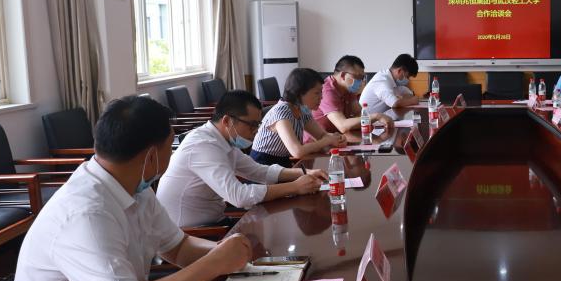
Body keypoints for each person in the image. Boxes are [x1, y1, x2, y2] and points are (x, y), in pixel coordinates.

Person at [13, 96, 253, 281]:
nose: (171, 155)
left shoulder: (133, 185)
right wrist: (215, 262)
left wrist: (235, 256)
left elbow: (178, 247)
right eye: (169, 148)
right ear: (151, 156)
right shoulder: (86, 213)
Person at [157, 90, 328, 227]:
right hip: (193, 233)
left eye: (258, 125)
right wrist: (295, 187)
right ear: (227, 121)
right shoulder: (203, 146)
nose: (256, 131)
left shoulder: (223, 140)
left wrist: (304, 173)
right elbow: (239, 196)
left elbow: (258, 171)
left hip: (215, 223)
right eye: (252, 125)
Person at [251, 67, 345, 167]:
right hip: (263, 164)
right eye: (317, 93)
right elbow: (297, 151)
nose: (321, 97)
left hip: (282, 163)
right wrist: (326, 141)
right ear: (299, 93)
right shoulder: (281, 112)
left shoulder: (302, 110)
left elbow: (321, 135)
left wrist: (337, 139)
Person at [315, 55, 394, 133]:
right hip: (321, 139)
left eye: (362, 78)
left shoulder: (349, 89)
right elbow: (342, 126)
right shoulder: (327, 91)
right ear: (343, 75)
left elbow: (358, 113)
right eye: (358, 77)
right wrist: (377, 116)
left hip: (340, 136)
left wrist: (359, 121)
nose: (361, 82)